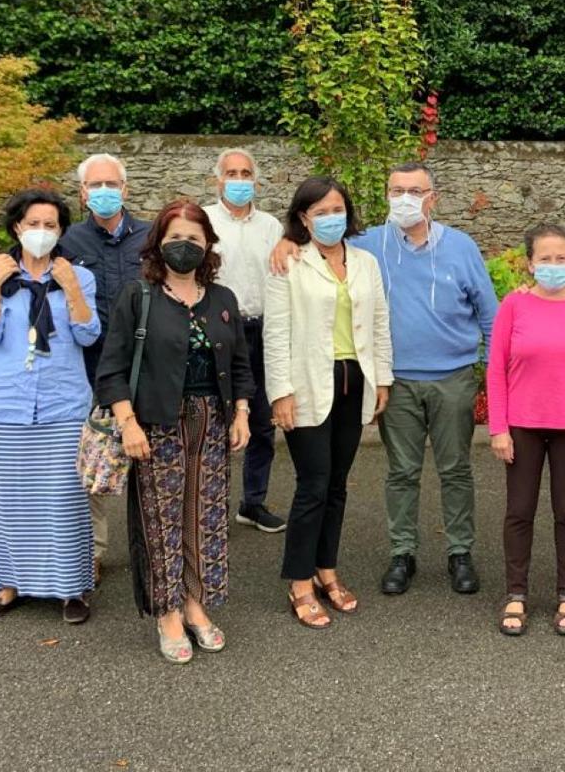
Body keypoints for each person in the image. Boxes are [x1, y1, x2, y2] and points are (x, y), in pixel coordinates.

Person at [270, 162, 496, 596]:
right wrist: (285, 239)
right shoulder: (368, 244)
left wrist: (487, 371)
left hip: (453, 378)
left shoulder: (462, 247)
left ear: (434, 196)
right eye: (396, 191)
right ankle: (402, 553)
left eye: (415, 190)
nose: (405, 199)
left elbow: (489, 313)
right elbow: (317, 236)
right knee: (401, 473)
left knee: (456, 470)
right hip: (397, 380)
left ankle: (460, 552)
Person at [95, 199, 253, 663]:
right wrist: (128, 423)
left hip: (213, 422)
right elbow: (112, 369)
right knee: (161, 520)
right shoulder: (138, 297)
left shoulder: (222, 299)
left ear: (208, 246)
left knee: (204, 517)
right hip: (155, 423)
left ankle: (196, 604)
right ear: (159, 244)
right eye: (176, 238)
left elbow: (241, 363)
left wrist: (241, 413)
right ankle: (166, 612)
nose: (185, 246)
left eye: (194, 240)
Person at [264, 176, 393, 629]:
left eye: (336, 209)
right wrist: (279, 391)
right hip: (307, 384)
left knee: (337, 483)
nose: (330, 218)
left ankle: (326, 568)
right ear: (303, 218)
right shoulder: (289, 262)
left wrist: (383, 378)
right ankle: (299, 580)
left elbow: (379, 322)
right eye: (319, 212)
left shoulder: (365, 262)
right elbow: (275, 332)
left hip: (354, 380)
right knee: (313, 483)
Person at [0, 189, 100, 625]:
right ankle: (5, 586)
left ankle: (72, 588)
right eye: (33, 224)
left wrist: (69, 289)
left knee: (63, 502)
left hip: (62, 407)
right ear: (16, 228)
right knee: (4, 502)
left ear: (61, 231)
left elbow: (88, 334)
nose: (41, 232)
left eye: (50, 225)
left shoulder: (78, 277)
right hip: (6, 406)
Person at [487, 224, 565, 637]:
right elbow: (496, 370)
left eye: (562, 258)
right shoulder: (514, 305)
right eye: (545, 258)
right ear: (531, 263)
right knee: (519, 511)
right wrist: (498, 428)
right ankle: (516, 593)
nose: (554, 265)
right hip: (522, 426)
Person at [59, 152, 151, 586]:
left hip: (147, 366)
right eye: (95, 186)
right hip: (91, 367)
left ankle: (151, 546)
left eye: (111, 184)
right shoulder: (67, 241)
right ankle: (91, 552)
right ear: (82, 194)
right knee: (89, 466)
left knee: (148, 459)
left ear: (126, 189)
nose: (104, 192)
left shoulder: (151, 237)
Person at [204, 148, 287, 535]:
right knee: (213, 421)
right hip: (217, 330)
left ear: (257, 179)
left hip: (263, 328)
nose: (240, 180)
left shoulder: (270, 226)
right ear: (218, 179)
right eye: (232, 173)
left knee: (262, 420)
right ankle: (209, 505)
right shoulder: (202, 220)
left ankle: (252, 503)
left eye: (246, 173)